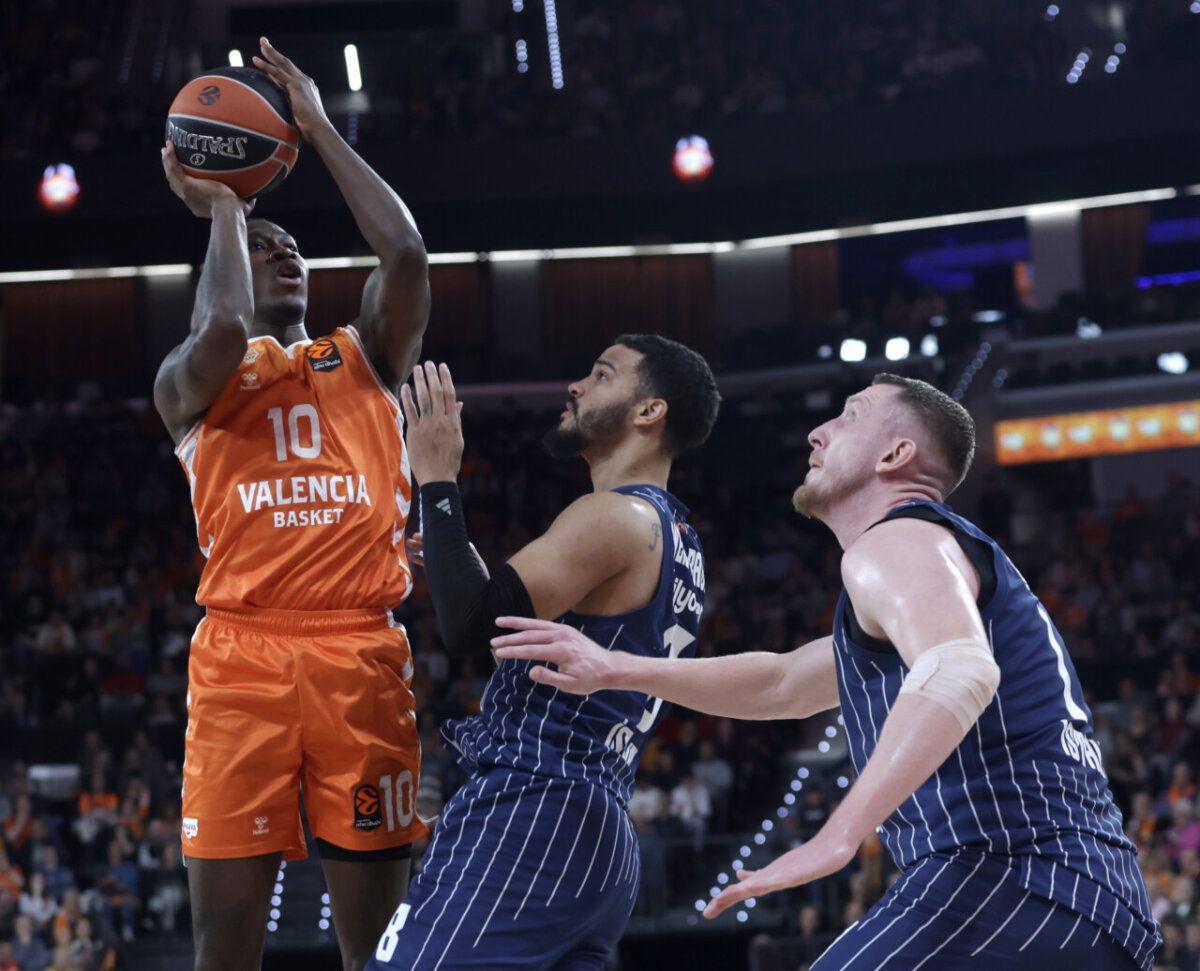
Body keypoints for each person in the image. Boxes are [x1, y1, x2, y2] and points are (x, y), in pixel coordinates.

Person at [494, 373, 1160, 969]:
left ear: (895, 455)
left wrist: (837, 836)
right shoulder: (924, 565)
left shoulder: (897, 540)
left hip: (1013, 877)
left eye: (850, 414)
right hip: (1077, 897)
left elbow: (961, 667)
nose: (817, 429)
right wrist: (617, 666)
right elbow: (782, 682)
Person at [153, 35, 430, 971]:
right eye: (261, 249)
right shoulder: (189, 384)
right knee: (223, 949)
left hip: (358, 648)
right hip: (241, 658)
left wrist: (314, 125)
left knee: (375, 949)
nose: (283, 255)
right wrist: (230, 207)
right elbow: (224, 323)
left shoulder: (363, 358)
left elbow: (405, 249)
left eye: (292, 245)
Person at [369, 336, 720, 969]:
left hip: (533, 809)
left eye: (601, 374)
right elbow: (501, 607)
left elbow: (474, 627)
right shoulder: (677, 537)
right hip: (598, 828)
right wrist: (460, 561)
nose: (577, 387)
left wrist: (437, 475)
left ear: (649, 411)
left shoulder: (613, 517)